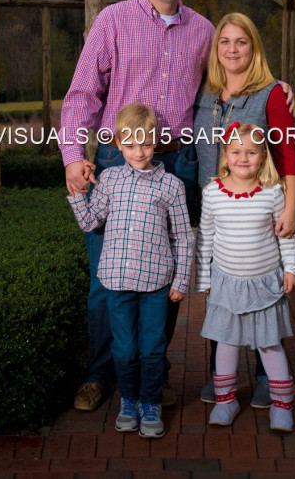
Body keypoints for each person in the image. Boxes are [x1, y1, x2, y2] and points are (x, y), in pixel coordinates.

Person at [61, 0, 212, 412]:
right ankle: (100, 374)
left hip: (177, 165)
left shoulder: (204, 31)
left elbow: (236, 75)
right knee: (108, 277)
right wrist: (71, 156)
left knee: (163, 275)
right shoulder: (114, 20)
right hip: (114, 161)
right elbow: (83, 94)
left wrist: (278, 86)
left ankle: (151, 373)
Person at [67, 102, 193, 439]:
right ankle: (130, 400)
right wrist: (79, 194)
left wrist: (181, 280)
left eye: (146, 143)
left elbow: (182, 236)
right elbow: (91, 222)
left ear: (156, 142)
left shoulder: (172, 187)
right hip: (118, 283)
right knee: (123, 349)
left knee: (151, 347)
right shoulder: (108, 180)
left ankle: (150, 402)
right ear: (118, 144)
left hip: (156, 285)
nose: (139, 152)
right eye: (131, 144)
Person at [193, 12, 295, 407]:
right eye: (224, 41)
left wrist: (289, 208)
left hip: (259, 211)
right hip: (218, 207)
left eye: (241, 41)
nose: (232, 49)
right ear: (215, 49)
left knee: (263, 293)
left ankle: (266, 378)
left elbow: (287, 155)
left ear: (253, 47)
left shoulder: (270, 93)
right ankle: (222, 378)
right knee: (223, 294)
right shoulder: (204, 93)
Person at [195, 123, 295, 432]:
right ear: (225, 155)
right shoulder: (212, 193)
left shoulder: (272, 193)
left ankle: (282, 406)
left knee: (269, 345)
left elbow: (286, 236)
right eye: (236, 152)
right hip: (226, 284)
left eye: (252, 152)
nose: (244, 158)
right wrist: (204, 280)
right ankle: (226, 401)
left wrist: (291, 268)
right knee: (226, 343)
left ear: (263, 156)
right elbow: (206, 239)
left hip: (265, 284)